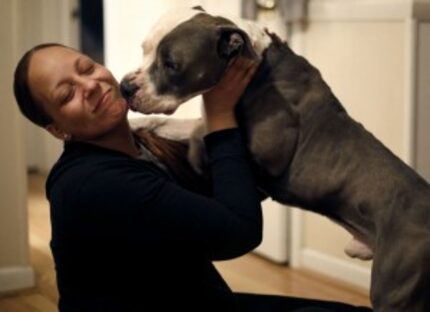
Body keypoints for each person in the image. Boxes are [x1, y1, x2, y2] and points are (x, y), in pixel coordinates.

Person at [13, 43, 372, 312]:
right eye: (67, 94)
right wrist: (218, 114)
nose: (89, 85)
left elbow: (232, 190)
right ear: (57, 129)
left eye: (87, 68)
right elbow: (239, 231)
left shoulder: (142, 144)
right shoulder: (93, 184)